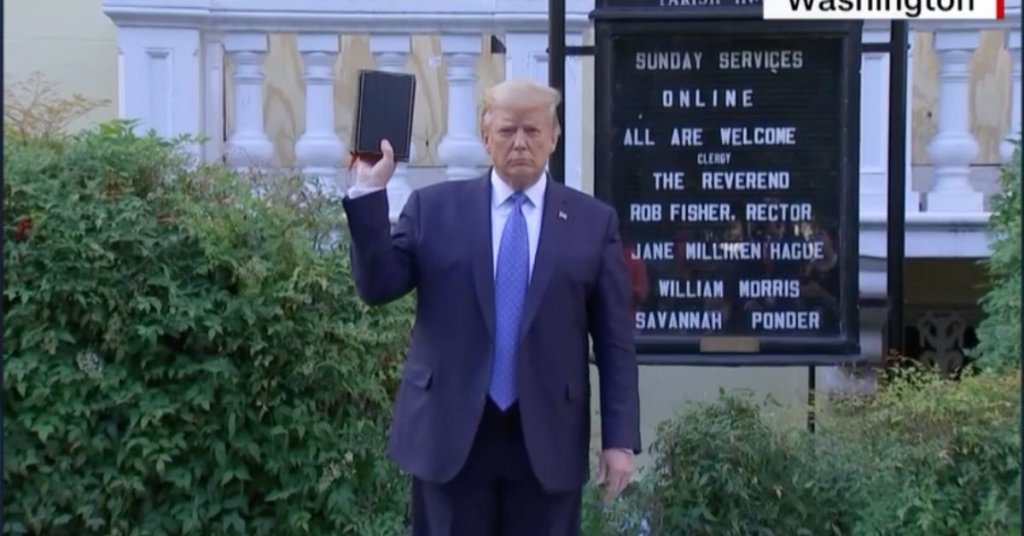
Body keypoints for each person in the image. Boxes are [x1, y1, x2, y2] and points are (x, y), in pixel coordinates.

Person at [342, 78, 641, 535]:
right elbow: (378, 286)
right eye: (506, 130)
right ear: (485, 137)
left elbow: (615, 341)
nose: (520, 142)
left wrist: (619, 440)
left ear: (554, 137)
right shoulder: (434, 209)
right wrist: (368, 193)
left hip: (547, 438)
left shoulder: (592, 223)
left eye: (532, 130)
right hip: (450, 433)